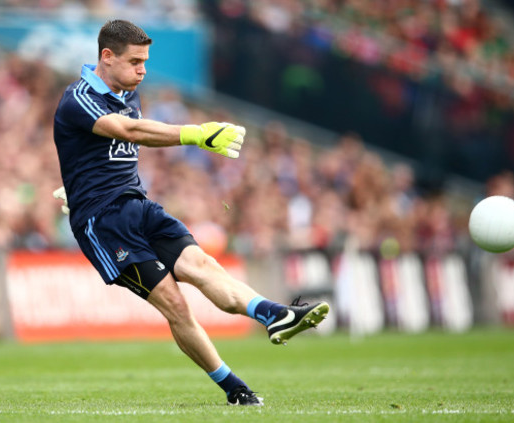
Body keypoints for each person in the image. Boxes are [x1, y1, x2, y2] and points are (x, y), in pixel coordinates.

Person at [52, 19, 329, 406]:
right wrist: (196, 133)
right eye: (135, 62)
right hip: (104, 223)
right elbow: (127, 133)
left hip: (138, 206)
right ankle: (235, 388)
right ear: (106, 57)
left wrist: (76, 179)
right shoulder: (78, 97)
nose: (143, 70)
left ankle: (274, 314)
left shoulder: (129, 92)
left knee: (203, 265)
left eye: (146, 61)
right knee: (175, 304)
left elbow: (104, 151)